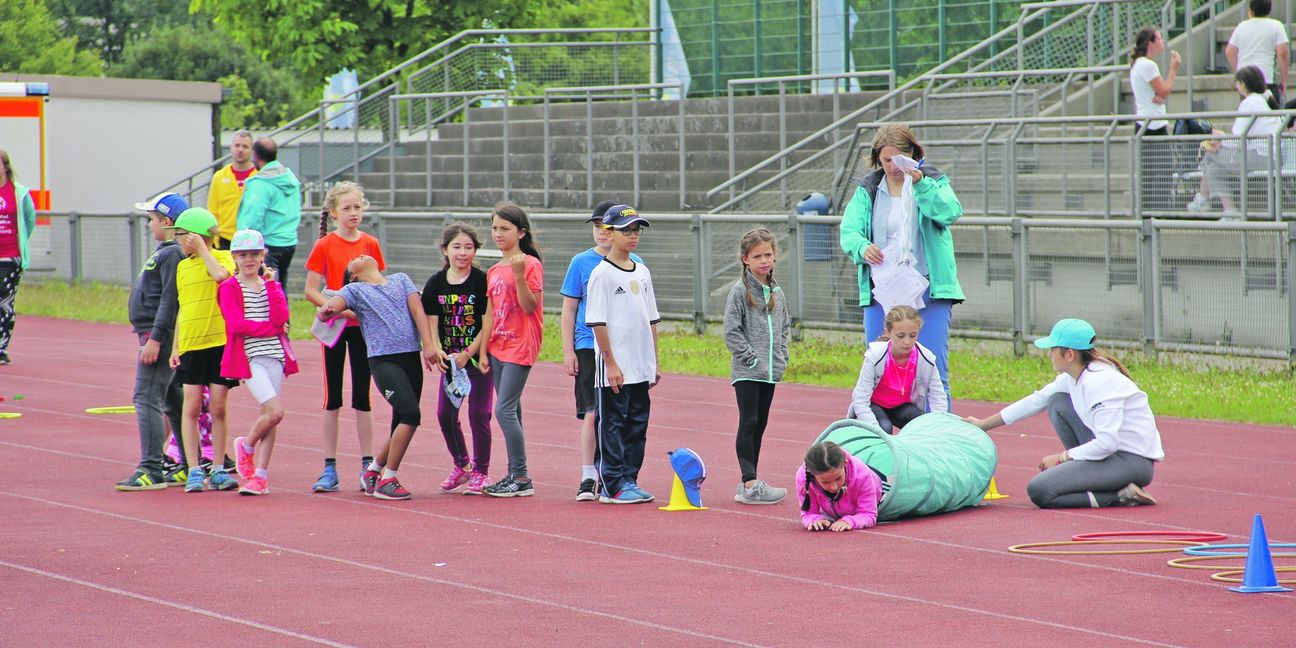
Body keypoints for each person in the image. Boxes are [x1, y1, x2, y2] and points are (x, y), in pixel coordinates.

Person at [963, 318, 1165, 509]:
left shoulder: (1100, 382)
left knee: (1040, 490)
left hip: (1131, 462)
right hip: (1111, 454)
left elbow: (1108, 443)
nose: (1049, 354)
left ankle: (1121, 495)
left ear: (1069, 355)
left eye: (1052, 350)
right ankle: (1094, 477)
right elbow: (1035, 400)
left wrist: (1062, 457)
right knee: (1057, 402)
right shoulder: (1074, 375)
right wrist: (984, 424)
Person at [839, 123, 963, 402]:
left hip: (927, 291)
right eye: (886, 161)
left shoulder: (932, 181)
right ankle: (880, 438)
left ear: (912, 155)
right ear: (877, 159)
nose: (893, 167)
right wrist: (862, 246)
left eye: (899, 159)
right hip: (883, 292)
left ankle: (935, 439)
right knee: (877, 369)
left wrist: (921, 184)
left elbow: (950, 212)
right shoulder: (868, 189)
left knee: (931, 372)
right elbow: (849, 231)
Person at [319, 255, 437, 500]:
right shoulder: (355, 289)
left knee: (401, 420)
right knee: (411, 414)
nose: (360, 255)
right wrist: (327, 310)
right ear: (353, 274)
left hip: (411, 357)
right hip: (384, 361)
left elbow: (417, 309)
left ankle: (372, 471)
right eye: (353, 259)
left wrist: (428, 345)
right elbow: (336, 304)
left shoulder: (401, 279)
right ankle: (389, 478)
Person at [559, 199, 643, 501]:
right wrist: (568, 350)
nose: (602, 233)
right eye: (597, 227)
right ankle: (588, 475)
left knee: (622, 415)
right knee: (593, 412)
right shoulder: (581, 263)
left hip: (624, 350)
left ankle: (619, 473)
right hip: (588, 345)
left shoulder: (637, 264)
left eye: (606, 227)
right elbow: (569, 309)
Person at [304, 181, 383, 493]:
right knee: (332, 398)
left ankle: (368, 465)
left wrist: (358, 312)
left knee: (363, 397)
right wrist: (331, 307)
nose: (354, 213)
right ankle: (329, 467)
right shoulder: (324, 245)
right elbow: (310, 289)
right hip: (334, 329)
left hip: (362, 329)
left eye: (357, 208)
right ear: (333, 213)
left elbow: (380, 284)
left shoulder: (371, 244)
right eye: (347, 208)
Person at [586, 205, 661, 504]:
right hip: (616, 367)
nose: (633, 236)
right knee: (613, 424)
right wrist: (610, 363)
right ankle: (612, 484)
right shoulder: (601, 274)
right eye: (627, 230)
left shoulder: (642, 271)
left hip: (640, 365)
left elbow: (651, 318)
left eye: (636, 230)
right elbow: (597, 322)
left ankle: (630, 478)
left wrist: (653, 360)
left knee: (637, 423)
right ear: (609, 232)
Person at [116, 192, 187, 491]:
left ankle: (151, 468)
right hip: (156, 334)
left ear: (167, 222)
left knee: (146, 398)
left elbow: (170, 299)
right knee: (172, 400)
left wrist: (156, 339)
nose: (149, 226)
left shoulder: (171, 254)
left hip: (159, 337)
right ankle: (187, 460)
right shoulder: (167, 252)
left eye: (152, 220)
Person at [164, 207, 239, 493]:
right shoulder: (183, 267)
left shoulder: (220, 257)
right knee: (191, 407)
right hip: (192, 345)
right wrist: (176, 346)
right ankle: (193, 467)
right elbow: (183, 308)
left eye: (181, 236)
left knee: (218, 407)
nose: (178, 241)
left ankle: (218, 467)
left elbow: (222, 277)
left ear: (196, 237)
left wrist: (204, 250)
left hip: (219, 344)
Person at [220, 229, 298, 496]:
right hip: (250, 357)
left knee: (269, 417)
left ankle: (260, 476)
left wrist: (274, 286)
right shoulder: (229, 287)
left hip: (275, 355)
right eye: (243, 255)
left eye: (254, 254)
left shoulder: (269, 286)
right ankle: (247, 446)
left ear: (263, 255)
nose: (249, 260)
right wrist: (271, 328)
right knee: (275, 412)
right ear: (234, 257)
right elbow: (236, 325)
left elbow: (281, 317)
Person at [421, 223, 494, 495]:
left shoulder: (481, 280)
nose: (463, 253)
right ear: (445, 250)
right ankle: (461, 464)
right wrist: (436, 349)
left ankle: (481, 472)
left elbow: (489, 322)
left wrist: (469, 353)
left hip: (476, 360)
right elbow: (431, 322)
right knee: (444, 414)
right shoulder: (436, 283)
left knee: (479, 413)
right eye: (457, 247)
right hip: (450, 363)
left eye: (469, 247)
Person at [722, 227, 790, 505]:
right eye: (757, 256)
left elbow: (784, 327)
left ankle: (751, 482)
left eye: (768, 255)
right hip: (748, 371)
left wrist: (781, 357)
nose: (764, 260)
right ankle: (749, 481)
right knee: (748, 422)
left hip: (769, 372)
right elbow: (731, 331)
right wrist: (750, 358)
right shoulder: (739, 292)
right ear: (745, 259)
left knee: (760, 424)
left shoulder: (777, 291)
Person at [482, 202, 544, 498]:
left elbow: (530, 305)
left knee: (503, 409)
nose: (498, 234)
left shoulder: (530, 264)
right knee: (512, 409)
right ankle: (513, 472)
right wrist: (483, 351)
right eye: (494, 228)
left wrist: (519, 275)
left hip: (521, 344)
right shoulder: (493, 270)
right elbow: (490, 313)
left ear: (521, 232)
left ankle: (520, 476)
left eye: (505, 228)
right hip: (497, 347)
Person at [1186, 66, 1283, 218]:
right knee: (1213, 170)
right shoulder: (1262, 100)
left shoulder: (1250, 102)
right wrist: (1222, 141)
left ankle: (1202, 198)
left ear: (1243, 84)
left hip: (1263, 157)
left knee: (1209, 153)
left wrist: (1219, 139)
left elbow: (1238, 138)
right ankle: (1230, 213)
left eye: (1237, 83)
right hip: (1267, 156)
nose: (1237, 86)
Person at [847, 305, 947, 434]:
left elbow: (938, 397)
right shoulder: (874, 357)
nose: (907, 342)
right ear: (888, 332)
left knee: (921, 424)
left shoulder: (927, 359)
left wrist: (938, 426)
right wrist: (877, 431)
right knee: (884, 427)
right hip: (873, 405)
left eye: (913, 335)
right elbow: (860, 401)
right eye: (900, 336)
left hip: (900, 407)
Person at [1128, 26, 1181, 214]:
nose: (1162, 42)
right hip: (1153, 124)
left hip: (1144, 121)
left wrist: (1160, 95)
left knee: (1149, 173)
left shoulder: (1138, 64)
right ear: (1150, 43)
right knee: (1162, 172)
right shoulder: (1147, 65)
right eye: (1159, 39)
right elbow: (1164, 89)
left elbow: (1157, 92)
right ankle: (1157, 212)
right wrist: (1174, 69)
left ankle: (1148, 212)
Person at [236, 138, 301, 287]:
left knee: (265, 291)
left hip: (268, 244)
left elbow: (252, 219)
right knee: (280, 288)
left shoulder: (260, 184)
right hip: (289, 241)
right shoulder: (290, 179)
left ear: (256, 156)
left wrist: (245, 246)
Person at [0, 149, 37, 366]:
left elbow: (29, 219)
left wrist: (19, 241)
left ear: (6, 167)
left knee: (4, 300)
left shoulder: (19, 192)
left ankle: (2, 346)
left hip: (10, 255)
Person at [796, 441, 882, 532]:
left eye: (838, 478)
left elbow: (868, 514)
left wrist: (850, 521)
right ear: (812, 474)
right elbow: (808, 513)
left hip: (881, 486)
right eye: (825, 482)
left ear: (845, 462)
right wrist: (815, 520)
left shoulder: (863, 475)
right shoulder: (804, 478)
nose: (834, 487)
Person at [1226, 0, 1289, 104]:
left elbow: (1229, 51)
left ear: (1251, 11)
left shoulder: (1241, 26)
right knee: (1270, 114)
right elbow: (1283, 54)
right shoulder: (1276, 26)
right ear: (1269, 10)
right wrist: (1284, 80)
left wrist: (1240, 70)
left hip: (1245, 80)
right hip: (1266, 78)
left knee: (1249, 114)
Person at [208, 130, 257, 249]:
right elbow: (212, 210)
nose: (240, 150)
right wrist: (213, 240)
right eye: (237, 145)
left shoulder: (259, 176)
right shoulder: (220, 176)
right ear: (231, 148)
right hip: (225, 239)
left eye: (245, 146)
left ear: (252, 150)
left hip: (252, 239)